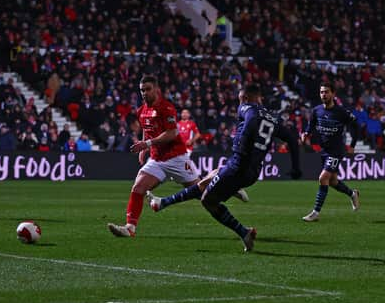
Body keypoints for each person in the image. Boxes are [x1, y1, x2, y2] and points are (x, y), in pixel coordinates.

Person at [151, 85, 301, 251]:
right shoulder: (273, 118)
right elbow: (293, 140)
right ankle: (163, 202)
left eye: (239, 99)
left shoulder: (247, 108)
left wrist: (242, 145)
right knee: (207, 181)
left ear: (244, 98)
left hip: (237, 167)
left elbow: (250, 120)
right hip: (252, 172)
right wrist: (296, 167)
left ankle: (244, 232)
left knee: (208, 201)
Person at [107, 75, 199, 238]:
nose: (144, 93)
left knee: (202, 193)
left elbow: (171, 133)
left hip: (177, 157)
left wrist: (147, 144)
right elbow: (146, 129)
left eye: (148, 89)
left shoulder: (166, 108)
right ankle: (130, 227)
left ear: (156, 89)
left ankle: (227, 187)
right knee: (138, 188)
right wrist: (144, 146)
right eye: (142, 90)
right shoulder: (141, 110)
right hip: (157, 159)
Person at [300, 83, 360, 222]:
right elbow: (310, 125)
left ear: (333, 94)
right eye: (321, 92)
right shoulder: (316, 110)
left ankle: (315, 212)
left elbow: (356, 126)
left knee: (323, 178)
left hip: (336, 151)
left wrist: (352, 145)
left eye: (326, 92)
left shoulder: (341, 112)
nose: (324, 95)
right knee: (332, 181)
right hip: (323, 150)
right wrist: (306, 134)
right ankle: (352, 193)